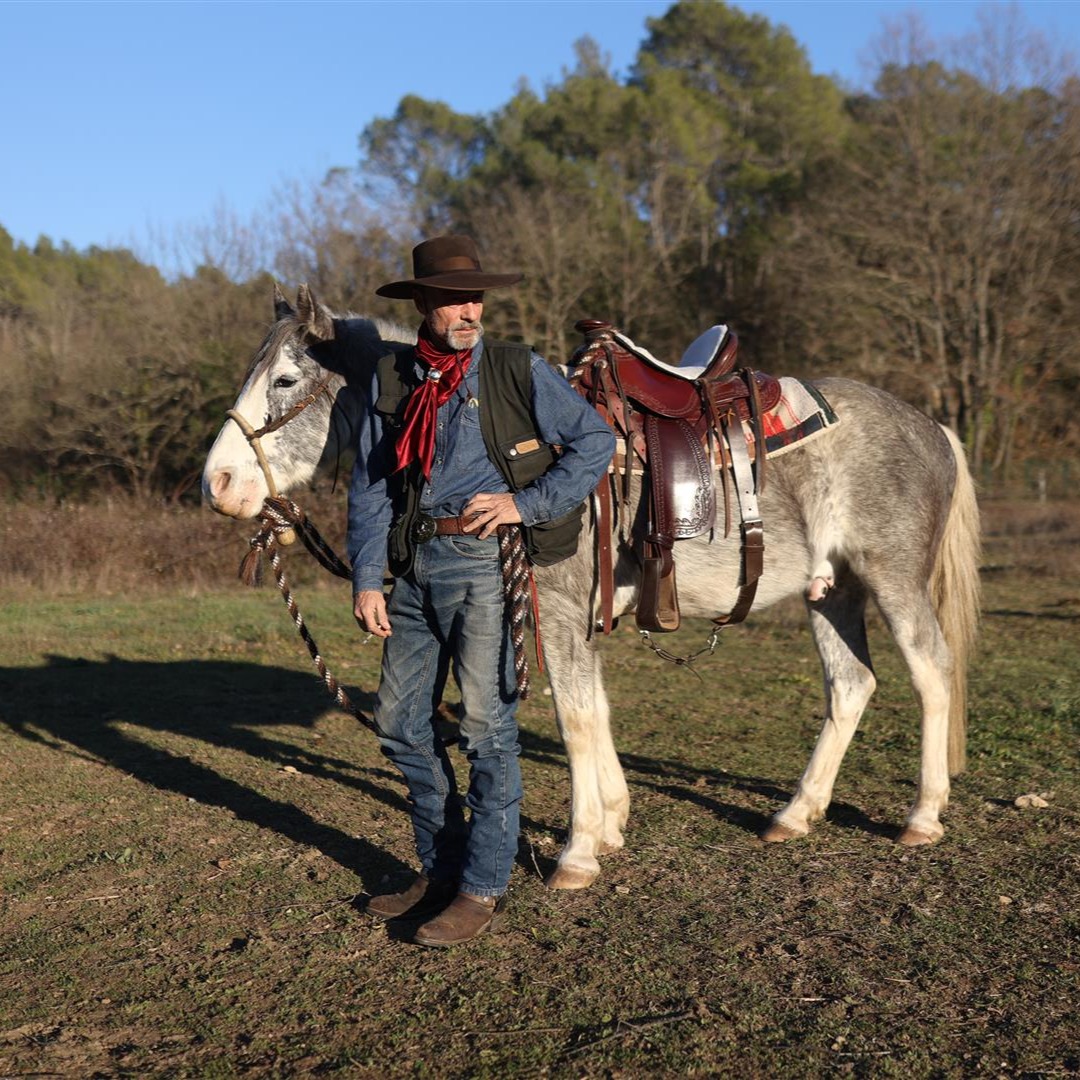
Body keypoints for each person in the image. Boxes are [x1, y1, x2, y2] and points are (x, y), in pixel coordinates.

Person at [348, 235, 615, 947]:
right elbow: (373, 484)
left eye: (475, 298)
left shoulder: (513, 369)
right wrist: (368, 576)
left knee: (486, 730)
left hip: (481, 565)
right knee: (402, 724)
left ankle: (481, 885)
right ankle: (440, 870)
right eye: (452, 300)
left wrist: (525, 506)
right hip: (411, 564)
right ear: (424, 307)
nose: (469, 310)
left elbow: (595, 442)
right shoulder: (394, 377)